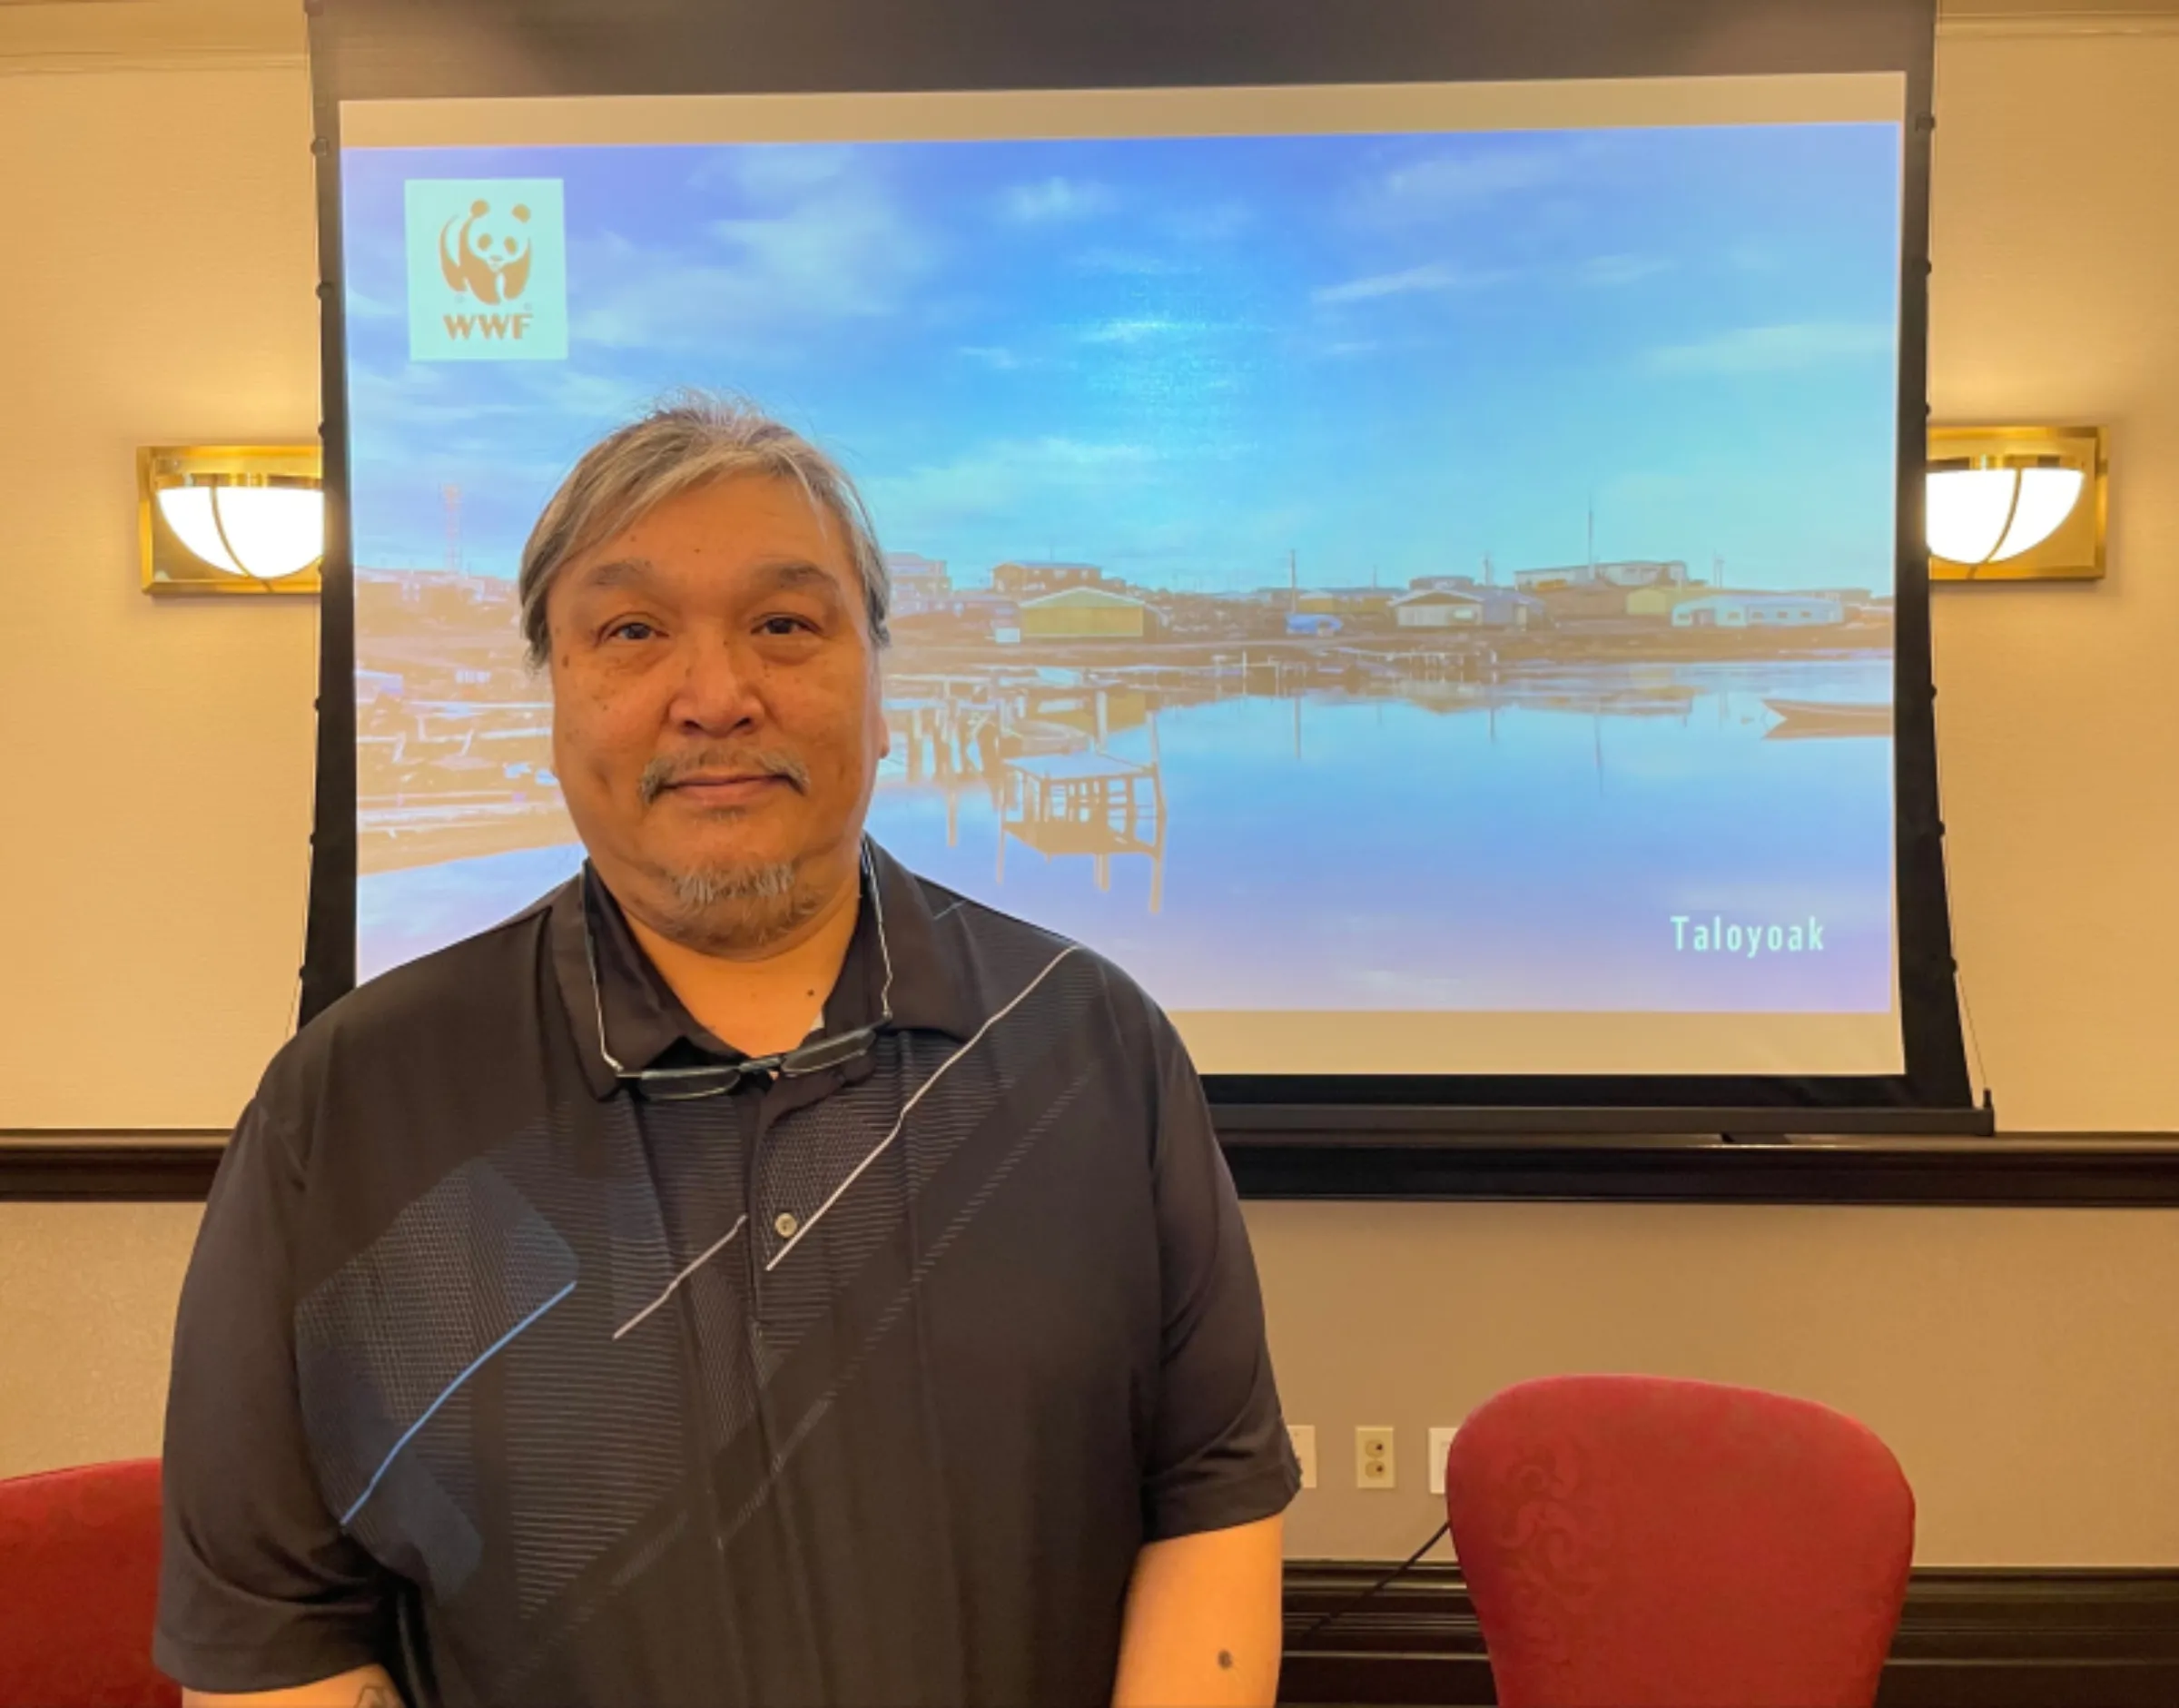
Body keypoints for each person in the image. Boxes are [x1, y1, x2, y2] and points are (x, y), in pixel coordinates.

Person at [155, 393, 1300, 1708]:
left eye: (785, 625)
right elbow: (276, 1637)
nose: (715, 695)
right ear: (555, 698)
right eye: (632, 631)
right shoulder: (352, 1108)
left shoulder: (1089, 1049)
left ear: (879, 691)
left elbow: (1208, 1500)